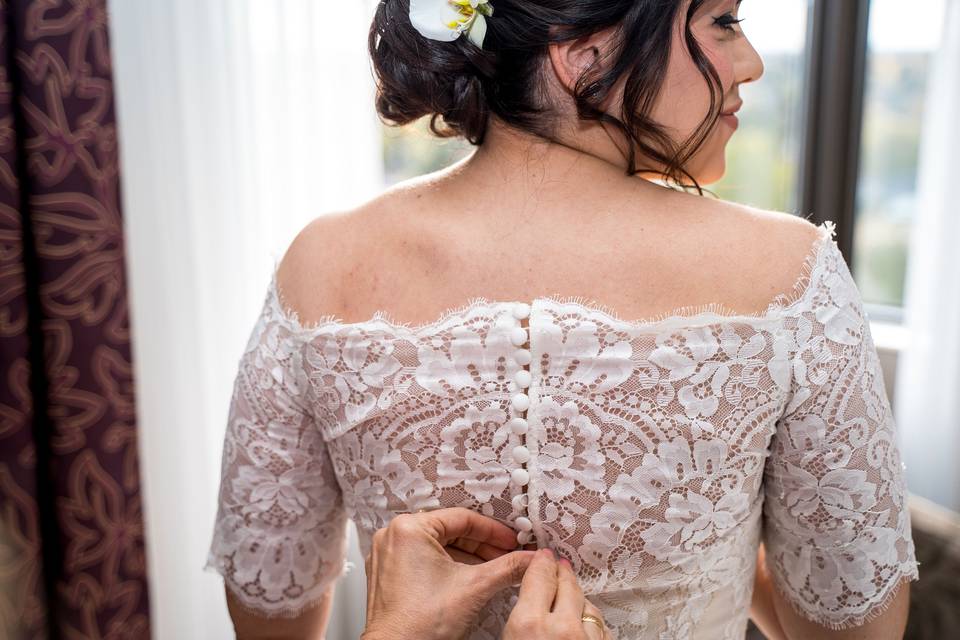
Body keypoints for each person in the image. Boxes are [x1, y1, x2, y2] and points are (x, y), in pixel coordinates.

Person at [207, 0, 920, 638]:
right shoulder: (788, 274)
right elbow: (853, 626)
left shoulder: (320, 263)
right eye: (723, 21)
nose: (753, 62)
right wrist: (716, 549)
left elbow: (268, 609)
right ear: (586, 55)